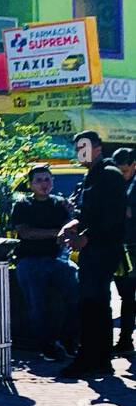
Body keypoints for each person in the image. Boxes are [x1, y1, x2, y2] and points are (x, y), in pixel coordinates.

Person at [57, 131, 127, 379]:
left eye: (85, 147)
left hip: (103, 248)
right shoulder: (92, 175)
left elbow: (112, 218)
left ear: (98, 148)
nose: (81, 152)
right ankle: (97, 358)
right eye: (78, 148)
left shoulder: (109, 175)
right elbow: (89, 212)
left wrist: (86, 237)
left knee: (94, 304)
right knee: (93, 305)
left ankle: (92, 358)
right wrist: (72, 225)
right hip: (93, 249)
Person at [10, 166, 77, 360]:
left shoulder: (60, 204)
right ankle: (46, 347)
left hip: (57, 260)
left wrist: (70, 220)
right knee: (37, 304)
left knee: (77, 293)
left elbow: (70, 231)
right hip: (29, 261)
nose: (43, 184)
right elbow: (26, 233)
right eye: (38, 180)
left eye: (47, 180)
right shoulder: (22, 205)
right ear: (31, 184)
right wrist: (56, 233)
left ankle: (69, 342)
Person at [110, 147, 136, 355]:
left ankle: (125, 340)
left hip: (132, 246)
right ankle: (125, 340)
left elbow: (127, 212)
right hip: (122, 246)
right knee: (126, 296)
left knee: (129, 296)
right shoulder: (117, 182)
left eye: (125, 171)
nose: (122, 175)